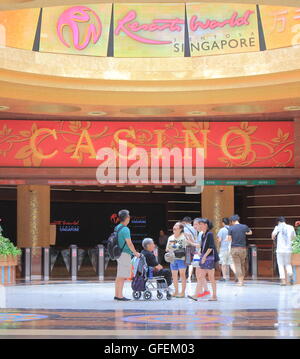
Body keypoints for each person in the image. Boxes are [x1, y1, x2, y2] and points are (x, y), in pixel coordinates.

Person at [187, 218, 218, 301]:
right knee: (200, 276)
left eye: (200, 224)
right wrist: (201, 253)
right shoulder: (204, 234)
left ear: (205, 225)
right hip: (205, 257)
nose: (199, 226)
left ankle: (214, 296)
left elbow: (211, 247)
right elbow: (203, 246)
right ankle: (196, 294)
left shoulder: (209, 234)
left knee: (211, 277)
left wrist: (204, 256)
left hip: (209, 258)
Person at [114, 209, 140, 301]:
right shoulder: (125, 229)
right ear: (127, 218)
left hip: (118, 253)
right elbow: (129, 243)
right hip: (125, 253)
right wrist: (135, 253)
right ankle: (120, 296)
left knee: (119, 275)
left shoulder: (117, 227)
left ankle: (117, 294)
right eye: (129, 216)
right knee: (122, 275)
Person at [227, 214, 252, 287]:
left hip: (234, 248)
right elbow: (250, 232)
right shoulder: (244, 226)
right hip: (243, 249)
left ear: (232, 221)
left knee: (237, 265)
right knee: (242, 265)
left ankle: (240, 282)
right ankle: (242, 280)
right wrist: (244, 233)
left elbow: (229, 239)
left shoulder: (231, 228)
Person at [271, 217, 296, 286]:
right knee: (288, 264)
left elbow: (273, 236)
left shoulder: (277, 227)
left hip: (280, 250)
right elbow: (293, 237)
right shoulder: (291, 227)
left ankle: (283, 281)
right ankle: (290, 274)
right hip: (288, 249)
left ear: (278, 222)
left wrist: (275, 238)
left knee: (280, 265)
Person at [166, 222, 187, 298]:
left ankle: (183, 292)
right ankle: (176, 291)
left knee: (182, 275)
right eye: (174, 226)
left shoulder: (184, 237)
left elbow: (187, 249)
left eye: (176, 226)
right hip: (173, 259)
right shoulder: (170, 238)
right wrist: (169, 250)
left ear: (181, 229)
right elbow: (167, 248)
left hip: (182, 259)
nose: (174, 227)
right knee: (174, 276)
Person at [217, 217, 236, 282]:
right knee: (231, 263)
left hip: (223, 249)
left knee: (223, 263)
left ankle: (224, 277)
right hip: (231, 248)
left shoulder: (222, 230)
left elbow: (219, 240)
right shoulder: (232, 229)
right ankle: (237, 274)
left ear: (223, 223)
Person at [182, 217, 198, 282]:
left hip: (188, 246)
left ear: (184, 222)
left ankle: (187, 277)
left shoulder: (185, 229)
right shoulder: (194, 228)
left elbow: (185, 238)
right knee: (194, 262)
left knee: (188, 262)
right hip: (194, 246)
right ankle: (193, 275)